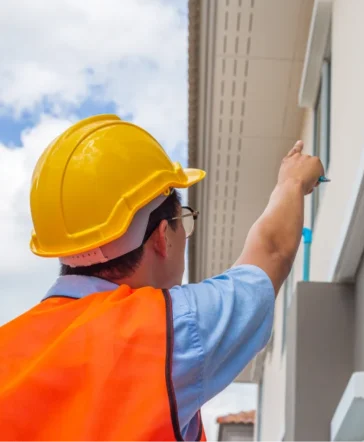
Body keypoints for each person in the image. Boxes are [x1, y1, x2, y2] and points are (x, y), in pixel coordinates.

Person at [0, 114, 324, 442]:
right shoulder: (166, 332)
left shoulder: (8, 347)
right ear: (161, 237)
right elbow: (271, 253)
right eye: (184, 220)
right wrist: (293, 182)